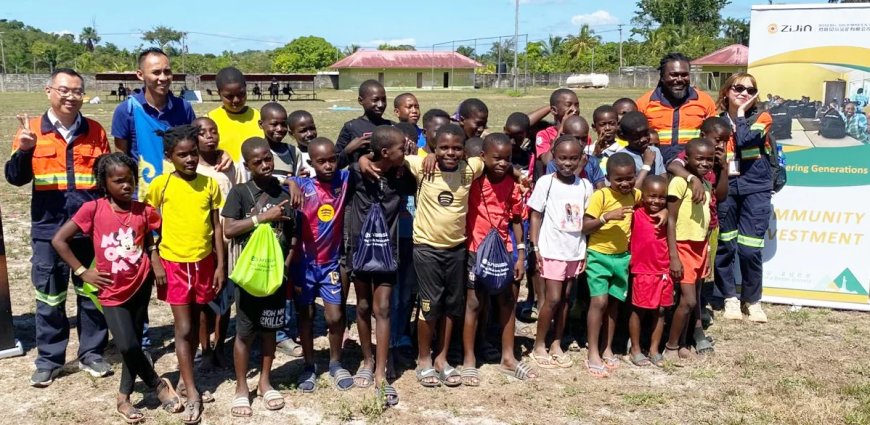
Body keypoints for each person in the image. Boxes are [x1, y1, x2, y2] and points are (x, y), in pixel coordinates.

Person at [51, 153, 183, 422]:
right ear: (104, 183)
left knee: (132, 342)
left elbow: (149, 239)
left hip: (140, 283)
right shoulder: (93, 209)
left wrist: (155, 260)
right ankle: (158, 384)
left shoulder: (144, 210)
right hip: (111, 290)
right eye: (119, 181)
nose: (126, 185)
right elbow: (59, 240)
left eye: (130, 179)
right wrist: (82, 271)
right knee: (127, 345)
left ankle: (123, 398)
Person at [5, 68, 111, 387]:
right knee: (49, 296)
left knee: (92, 293)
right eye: (64, 90)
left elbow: (106, 177)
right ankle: (50, 359)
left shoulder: (95, 131)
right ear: (48, 90)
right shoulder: (32, 130)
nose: (71, 97)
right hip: (48, 230)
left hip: (87, 231)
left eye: (77, 91)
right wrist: (26, 149)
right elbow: (15, 178)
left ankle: (92, 353)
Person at [145, 125, 225, 424]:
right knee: (184, 327)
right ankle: (192, 392)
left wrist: (220, 265)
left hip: (204, 263)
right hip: (174, 265)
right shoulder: (160, 185)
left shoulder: (210, 184)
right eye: (182, 155)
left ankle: (183, 378)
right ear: (169, 157)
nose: (190, 159)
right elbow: (146, 223)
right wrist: (154, 258)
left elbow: (216, 226)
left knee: (200, 323)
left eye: (193, 153)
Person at [222, 137, 296, 417]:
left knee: (269, 331)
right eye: (258, 162)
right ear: (247, 165)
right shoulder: (240, 193)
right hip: (249, 276)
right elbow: (229, 230)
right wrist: (261, 218)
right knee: (244, 332)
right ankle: (242, 387)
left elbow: (293, 235)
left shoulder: (284, 192)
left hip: (274, 277)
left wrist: (285, 267)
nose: (265, 164)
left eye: (268, 158)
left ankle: (265, 381)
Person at [345, 126, 415, 406]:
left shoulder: (403, 176)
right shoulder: (357, 172)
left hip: (388, 252)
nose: (405, 151)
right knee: (363, 306)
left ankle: (381, 373)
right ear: (385, 152)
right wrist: (360, 159)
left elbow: (421, 177)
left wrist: (409, 161)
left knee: (383, 307)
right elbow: (333, 165)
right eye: (401, 149)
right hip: (361, 249)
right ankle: (367, 359)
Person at [462, 133, 536, 383]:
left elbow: (516, 219)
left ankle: (508, 358)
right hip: (475, 250)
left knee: (507, 302)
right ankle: (469, 359)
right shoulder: (473, 180)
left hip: (504, 250)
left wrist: (521, 254)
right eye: (497, 158)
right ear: (483, 157)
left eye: (507, 159)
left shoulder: (512, 185)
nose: (502, 163)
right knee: (474, 303)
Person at [290, 138, 354, 393]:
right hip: (303, 265)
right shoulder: (303, 186)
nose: (328, 166)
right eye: (321, 161)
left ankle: (336, 363)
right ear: (311, 163)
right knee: (305, 316)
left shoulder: (344, 180)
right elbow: (278, 180)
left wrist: (355, 153)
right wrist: (290, 181)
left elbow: (360, 166)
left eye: (332, 160)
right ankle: (308, 365)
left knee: (335, 316)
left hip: (330, 265)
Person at [527, 135, 592, 370]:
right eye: (562, 158)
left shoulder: (585, 186)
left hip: (574, 251)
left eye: (573, 158)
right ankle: (539, 345)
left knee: (565, 299)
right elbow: (535, 215)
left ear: (581, 159)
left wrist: (584, 251)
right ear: (554, 157)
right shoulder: (547, 183)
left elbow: (586, 221)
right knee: (552, 298)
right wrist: (535, 246)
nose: (567, 163)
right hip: (551, 249)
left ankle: (556, 343)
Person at [713, 73, 773, 323]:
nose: (744, 93)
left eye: (750, 90)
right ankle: (729, 298)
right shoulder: (714, 121)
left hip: (755, 188)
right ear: (726, 91)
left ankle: (753, 300)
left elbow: (747, 139)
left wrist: (739, 114)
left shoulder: (762, 118)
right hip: (726, 187)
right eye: (738, 88)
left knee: (749, 249)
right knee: (726, 245)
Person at [668, 117, 731, 344]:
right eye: (717, 139)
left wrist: (723, 168)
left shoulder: (714, 164)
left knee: (698, 283)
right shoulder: (691, 158)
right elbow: (672, 166)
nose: (720, 145)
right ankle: (686, 335)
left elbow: (720, 195)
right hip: (684, 237)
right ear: (703, 135)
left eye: (725, 141)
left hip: (706, 231)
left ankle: (691, 333)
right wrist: (692, 177)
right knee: (686, 293)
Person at [582, 153, 641, 378]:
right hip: (598, 255)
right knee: (599, 302)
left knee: (614, 303)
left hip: (622, 257)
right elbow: (585, 226)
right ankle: (592, 352)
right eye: (619, 179)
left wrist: (664, 210)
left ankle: (606, 347)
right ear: (608, 178)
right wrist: (606, 217)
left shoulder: (635, 194)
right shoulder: (601, 195)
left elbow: (653, 201)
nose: (625, 183)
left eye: (630, 178)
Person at [111, 48, 197, 199]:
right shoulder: (126, 110)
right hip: (142, 195)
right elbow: (120, 157)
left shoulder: (184, 108)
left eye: (167, 72)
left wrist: (221, 154)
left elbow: (196, 148)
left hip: (180, 192)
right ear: (140, 75)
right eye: (156, 72)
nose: (163, 78)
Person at [193, 116, 237, 371]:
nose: (210, 136)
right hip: (202, 243)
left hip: (228, 242)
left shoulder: (229, 166)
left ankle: (220, 346)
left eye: (214, 131)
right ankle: (205, 348)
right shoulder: (190, 167)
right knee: (203, 300)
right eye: (203, 132)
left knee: (224, 297)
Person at [665, 138, 715, 360]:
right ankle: (670, 347)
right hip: (683, 247)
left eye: (709, 159)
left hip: (699, 246)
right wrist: (674, 255)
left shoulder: (705, 184)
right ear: (687, 158)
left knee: (691, 298)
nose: (705, 163)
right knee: (689, 301)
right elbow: (671, 219)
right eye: (699, 158)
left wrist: (707, 251)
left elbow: (705, 221)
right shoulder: (679, 182)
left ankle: (683, 344)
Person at [636, 52, 717, 163]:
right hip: (655, 167)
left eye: (684, 75)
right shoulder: (645, 102)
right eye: (673, 75)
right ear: (662, 77)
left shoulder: (704, 101)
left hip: (691, 167)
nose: (679, 79)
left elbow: (714, 135)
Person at [626, 175, 671, 369]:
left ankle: (654, 349)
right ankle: (635, 349)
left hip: (664, 269)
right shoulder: (636, 213)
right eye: (651, 196)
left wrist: (667, 211)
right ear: (643, 196)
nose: (656, 201)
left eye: (661, 197)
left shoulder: (667, 215)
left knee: (660, 311)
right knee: (639, 310)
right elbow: (632, 191)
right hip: (643, 270)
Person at [207, 67, 261, 163]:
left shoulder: (259, 117)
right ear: (219, 94)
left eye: (241, 94)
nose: (236, 100)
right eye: (229, 96)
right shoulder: (209, 120)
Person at [336, 79, 394, 163]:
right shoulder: (351, 127)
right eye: (375, 100)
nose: (381, 105)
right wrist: (348, 150)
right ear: (361, 100)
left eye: (383, 100)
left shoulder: (392, 126)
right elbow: (334, 163)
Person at [615, 111, 665, 188]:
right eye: (636, 137)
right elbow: (633, 189)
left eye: (646, 134)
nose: (643, 139)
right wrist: (647, 164)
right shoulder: (622, 158)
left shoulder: (655, 151)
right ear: (624, 137)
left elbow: (663, 178)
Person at [534, 89, 580, 166]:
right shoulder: (544, 135)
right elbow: (547, 161)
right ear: (554, 110)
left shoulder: (580, 133)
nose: (575, 110)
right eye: (568, 105)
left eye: (577, 105)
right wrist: (561, 129)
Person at [587, 105, 622, 174]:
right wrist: (595, 154)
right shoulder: (588, 151)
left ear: (618, 125)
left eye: (612, 124)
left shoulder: (622, 150)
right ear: (594, 127)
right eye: (602, 124)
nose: (607, 128)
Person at [288, 109, 319, 177]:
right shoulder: (292, 158)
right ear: (291, 134)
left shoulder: (323, 152)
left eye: (312, 128)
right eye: (303, 131)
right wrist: (298, 178)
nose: (310, 134)